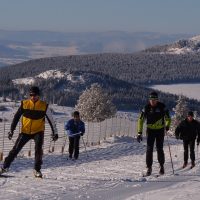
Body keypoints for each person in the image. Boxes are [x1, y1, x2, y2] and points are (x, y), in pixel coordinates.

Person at [0, 86, 58, 178]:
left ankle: (37, 170)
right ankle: (4, 167)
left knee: (38, 150)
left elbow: (51, 120)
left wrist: (55, 133)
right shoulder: (24, 104)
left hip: (38, 131)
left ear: (38, 95)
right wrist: (11, 130)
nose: (32, 97)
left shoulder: (44, 106)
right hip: (25, 132)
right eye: (31, 95)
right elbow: (16, 117)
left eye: (34, 95)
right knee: (15, 149)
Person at [137, 91, 171, 176]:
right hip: (150, 130)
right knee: (149, 149)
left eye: (154, 99)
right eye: (151, 99)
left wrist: (167, 126)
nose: (153, 101)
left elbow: (168, 118)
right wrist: (139, 133)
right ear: (149, 100)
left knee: (159, 148)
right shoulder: (146, 108)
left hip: (160, 130)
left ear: (157, 99)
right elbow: (140, 120)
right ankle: (149, 167)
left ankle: (161, 166)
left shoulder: (162, 107)